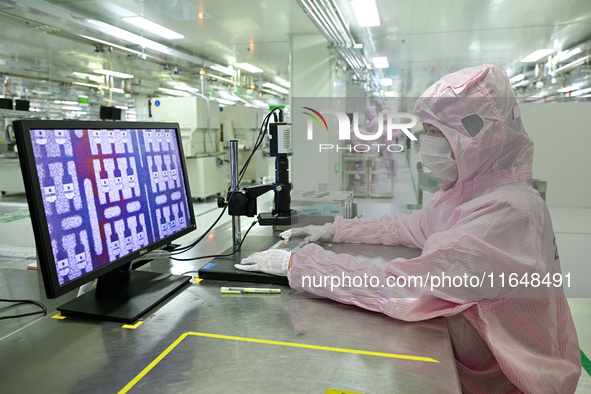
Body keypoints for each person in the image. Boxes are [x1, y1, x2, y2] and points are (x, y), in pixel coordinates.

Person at [235, 64, 581, 392]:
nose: (425, 142)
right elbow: (405, 227)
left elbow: (401, 288)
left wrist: (301, 265)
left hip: (509, 384)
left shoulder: (505, 213)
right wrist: (333, 229)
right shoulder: (469, 192)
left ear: (475, 137)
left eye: (434, 132)